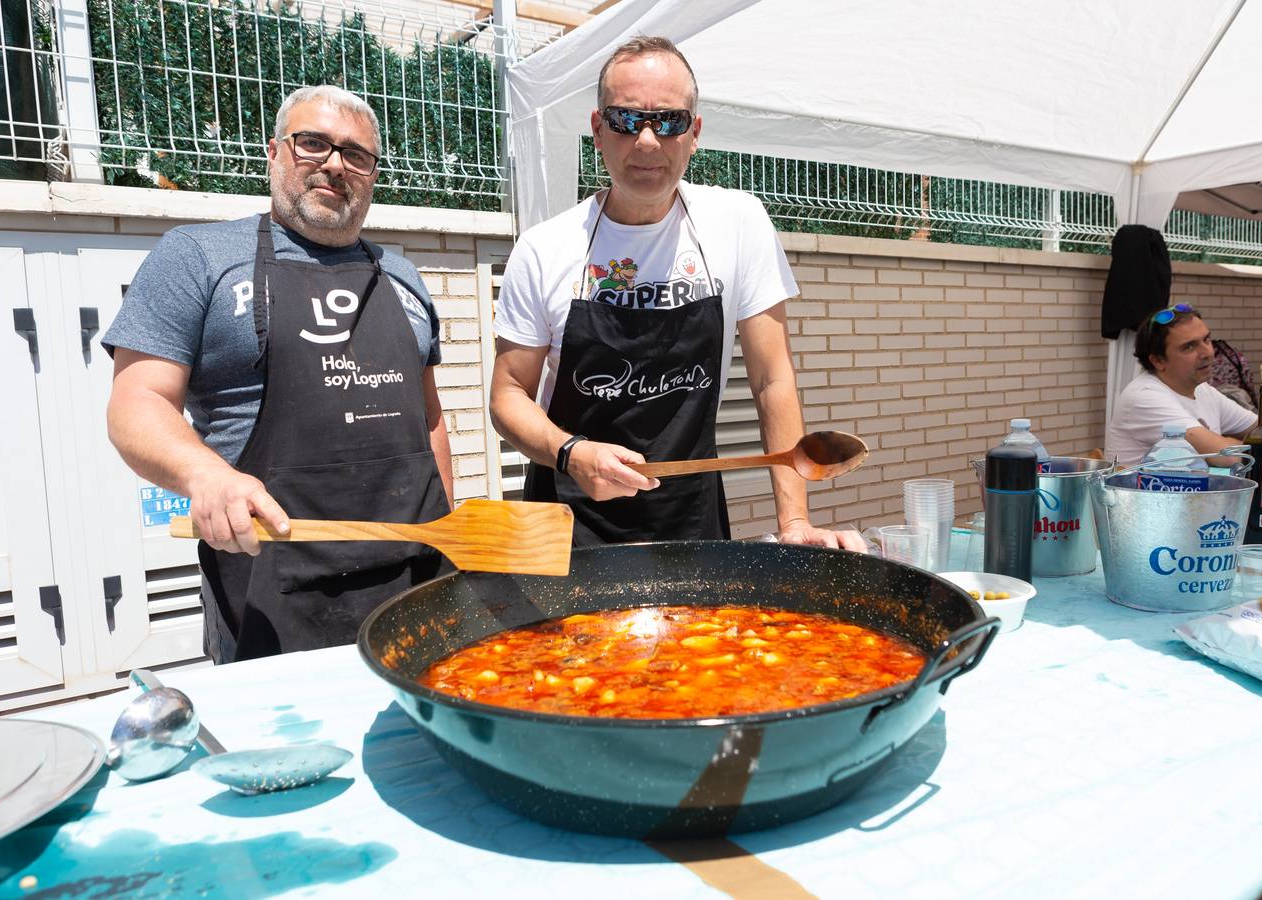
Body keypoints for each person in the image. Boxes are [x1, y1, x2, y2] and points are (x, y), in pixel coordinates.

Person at [104, 85, 452, 663]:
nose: (335, 164)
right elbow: (136, 400)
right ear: (273, 152)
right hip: (274, 584)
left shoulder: (402, 274)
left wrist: (450, 525)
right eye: (312, 143)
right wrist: (204, 477)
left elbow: (430, 418)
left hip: (417, 573)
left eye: (356, 154)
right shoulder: (198, 256)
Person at [489, 36, 862, 550]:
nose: (646, 141)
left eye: (668, 121)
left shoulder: (738, 222)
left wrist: (795, 523)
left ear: (694, 133)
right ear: (597, 130)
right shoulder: (544, 248)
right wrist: (572, 452)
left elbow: (772, 378)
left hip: (689, 520)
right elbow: (508, 396)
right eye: (625, 120)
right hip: (567, 523)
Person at [1106, 303, 1262, 467]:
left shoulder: (1201, 389)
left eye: (1206, 339)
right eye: (1189, 346)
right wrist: (1235, 444)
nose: (1207, 352)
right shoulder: (1145, 397)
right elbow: (1229, 457)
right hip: (1146, 510)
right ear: (1158, 361)